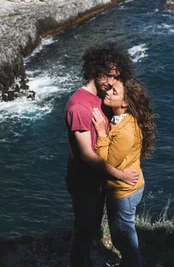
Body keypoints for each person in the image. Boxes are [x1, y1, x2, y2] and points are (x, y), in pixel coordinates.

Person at [65, 41, 139, 267]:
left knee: (91, 228)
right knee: (84, 234)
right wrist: (120, 175)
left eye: (115, 76)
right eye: (107, 75)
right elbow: (87, 155)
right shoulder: (79, 107)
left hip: (98, 180)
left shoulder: (103, 96)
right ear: (94, 71)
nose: (111, 82)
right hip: (85, 181)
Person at [91, 77, 156, 267]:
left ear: (126, 102)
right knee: (124, 236)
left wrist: (102, 134)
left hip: (123, 192)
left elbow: (107, 163)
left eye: (114, 92)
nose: (108, 92)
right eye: (110, 88)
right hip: (126, 188)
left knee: (124, 241)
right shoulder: (121, 119)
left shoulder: (126, 131)